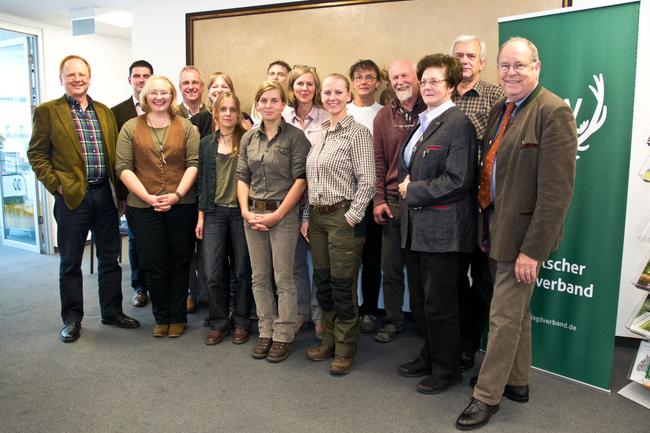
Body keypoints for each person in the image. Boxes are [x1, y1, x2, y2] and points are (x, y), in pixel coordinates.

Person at [456, 37, 577, 430]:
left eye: (519, 66)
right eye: (505, 66)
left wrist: (533, 251)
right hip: (495, 227)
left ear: (536, 67)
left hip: (523, 239)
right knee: (518, 313)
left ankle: (486, 396)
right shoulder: (501, 108)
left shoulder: (553, 111)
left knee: (503, 317)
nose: (511, 72)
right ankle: (518, 381)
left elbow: (556, 193)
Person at [27, 55, 140, 343]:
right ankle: (72, 318)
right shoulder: (47, 112)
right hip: (72, 198)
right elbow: (36, 154)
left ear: (90, 76)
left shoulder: (103, 111)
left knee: (110, 259)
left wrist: (121, 194)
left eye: (82, 74)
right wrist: (57, 186)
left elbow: (116, 156)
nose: (77, 79)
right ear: (61, 78)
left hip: (105, 194)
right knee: (70, 262)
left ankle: (112, 311)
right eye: (71, 75)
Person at [396, 54, 476, 394]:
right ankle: (429, 355)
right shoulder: (423, 122)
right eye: (424, 81)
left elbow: (459, 180)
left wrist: (412, 189)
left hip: (444, 233)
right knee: (420, 301)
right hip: (415, 230)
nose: (427, 87)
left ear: (452, 87)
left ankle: (447, 369)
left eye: (435, 81)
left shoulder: (459, 124)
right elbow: (411, 165)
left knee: (440, 305)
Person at [116, 75, 200, 338]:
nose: (159, 97)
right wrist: (149, 197)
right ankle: (161, 316)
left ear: (171, 95)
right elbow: (123, 168)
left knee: (180, 260)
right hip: (143, 208)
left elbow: (193, 164)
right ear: (145, 96)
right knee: (154, 262)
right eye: (154, 92)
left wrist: (176, 194)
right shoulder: (130, 127)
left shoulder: (186, 127)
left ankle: (178, 316)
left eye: (164, 92)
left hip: (181, 204)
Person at [302, 73, 375, 375]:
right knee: (324, 283)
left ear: (348, 96)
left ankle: (345, 349)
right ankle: (329, 341)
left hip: (343, 217)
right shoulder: (320, 133)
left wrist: (352, 216)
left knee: (344, 286)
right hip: (318, 219)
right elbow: (311, 180)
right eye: (328, 93)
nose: (332, 97)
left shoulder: (358, 133)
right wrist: (307, 217)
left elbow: (368, 181)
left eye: (338, 92)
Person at [237, 80, 310, 363]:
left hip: (283, 216)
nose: (268, 105)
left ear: (283, 105)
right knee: (259, 277)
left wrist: (278, 215)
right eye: (263, 101)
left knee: (283, 277)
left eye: (274, 100)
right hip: (252, 214)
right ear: (257, 105)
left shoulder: (295, 137)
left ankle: (283, 334)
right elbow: (242, 176)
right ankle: (265, 329)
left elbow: (301, 181)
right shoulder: (248, 138)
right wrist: (245, 211)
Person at [450, 35, 504, 372]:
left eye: (471, 56)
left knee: (483, 280)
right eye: (458, 56)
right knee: (452, 277)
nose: (464, 61)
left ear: (482, 63)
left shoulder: (496, 98)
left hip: (484, 205)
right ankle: (454, 340)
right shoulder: (442, 96)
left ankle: (470, 343)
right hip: (449, 207)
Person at [372, 60, 426, 343]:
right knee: (391, 267)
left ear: (417, 78)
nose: (399, 81)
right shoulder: (382, 116)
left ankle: (424, 322)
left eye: (405, 75)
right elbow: (378, 163)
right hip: (392, 201)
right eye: (394, 77)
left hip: (423, 202)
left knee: (421, 269)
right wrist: (378, 199)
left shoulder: (429, 111)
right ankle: (394, 320)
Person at [196, 92, 252, 345]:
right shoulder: (206, 143)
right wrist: (200, 217)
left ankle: (241, 321)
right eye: (223, 109)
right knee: (212, 272)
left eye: (232, 109)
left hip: (240, 214)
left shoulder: (248, 141)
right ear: (216, 114)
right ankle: (219, 322)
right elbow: (202, 184)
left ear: (238, 114)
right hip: (214, 213)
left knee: (242, 270)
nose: (228, 114)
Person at [282, 64, 328, 338]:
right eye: (299, 84)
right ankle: (301, 312)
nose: (305, 89)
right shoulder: (282, 115)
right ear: (292, 87)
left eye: (310, 84)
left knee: (320, 261)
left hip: (318, 196)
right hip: (288, 198)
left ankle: (319, 315)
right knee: (295, 261)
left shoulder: (325, 117)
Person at [111, 59, 154, 308]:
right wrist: (122, 196)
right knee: (137, 240)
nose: (141, 80)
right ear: (129, 80)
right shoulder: (117, 113)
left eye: (146, 75)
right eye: (136, 76)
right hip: (132, 190)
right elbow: (116, 156)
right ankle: (140, 287)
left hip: (162, 189)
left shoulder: (164, 108)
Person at [347, 59, 384, 334]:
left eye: (369, 77)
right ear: (352, 82)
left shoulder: (383, 114)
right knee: (347, 258)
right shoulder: (340, 112)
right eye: (358, 77)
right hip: (343, 195)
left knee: (372, 257)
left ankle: (369, 309)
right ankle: (347, 310)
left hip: (371, 195)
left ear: (378, 83)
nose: (364, 82)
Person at [192, 72, 253, 137]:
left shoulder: (243, 118)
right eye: (215, 87)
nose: (219, 90)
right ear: (209, 93)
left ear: (231, 92)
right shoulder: (197, 120)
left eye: (224, 87)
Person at [251, 60, 291, 126]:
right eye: (272, 74)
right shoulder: (259, 102)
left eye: (281, 74)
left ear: (288, 79)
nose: (275, 77)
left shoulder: (293, 103)